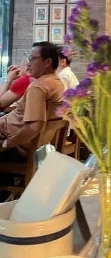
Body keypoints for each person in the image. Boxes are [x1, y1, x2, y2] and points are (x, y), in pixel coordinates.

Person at [0, 42, 64, 188]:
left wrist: (6, 144)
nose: (28, 63)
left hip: (17, 148)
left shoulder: (38, 87)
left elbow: (34, 127)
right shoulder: (58, 83)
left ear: (47, 62)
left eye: (32, 58)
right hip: (37, 147)